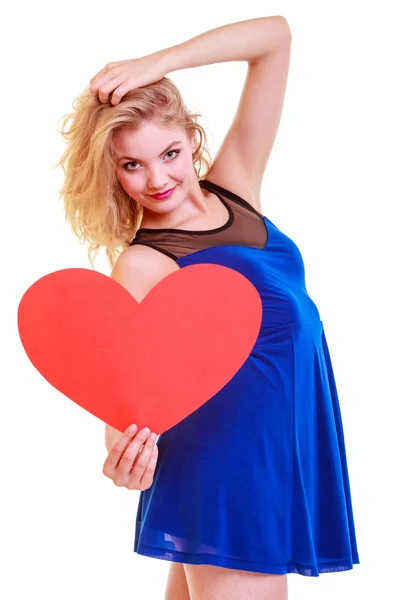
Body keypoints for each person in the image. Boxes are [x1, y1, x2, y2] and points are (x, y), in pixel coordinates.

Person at [55, 15, 360, 600]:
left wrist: (156, 64)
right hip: (228, 470)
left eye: (169, 152)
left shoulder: (236, 185)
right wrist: (121, 453)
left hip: (275, 452)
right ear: (112, 172)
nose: (158, 178)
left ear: (191, 138)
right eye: (131, 165)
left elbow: (275, 37)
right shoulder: (144, 262)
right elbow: (122, 399)